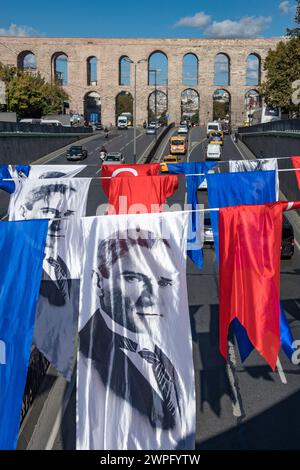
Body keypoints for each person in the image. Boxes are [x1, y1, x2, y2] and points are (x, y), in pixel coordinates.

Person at [79, 228, 183, 435]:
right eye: (134, 278)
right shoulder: (87, 356)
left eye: (163, 282)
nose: (152, 297)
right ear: (99, 282)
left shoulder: (164, 353)